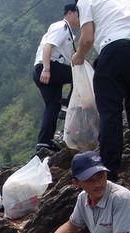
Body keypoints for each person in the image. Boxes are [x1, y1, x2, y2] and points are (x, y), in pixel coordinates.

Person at [72, 0, 130, 180]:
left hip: (115, 50)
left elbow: (87, 38)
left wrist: (78, 56)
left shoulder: (86, 1)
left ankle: (110, 168)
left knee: (110, 111)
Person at [33, 4, 80, 152]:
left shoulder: (69, 34)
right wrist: (47, 68)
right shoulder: (62, 26)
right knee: (78, 73)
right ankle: (67, 106)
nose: (80, 19)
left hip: (43, 70)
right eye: (79, 15)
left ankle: (44, 143)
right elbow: (48, 46)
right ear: (71, 13)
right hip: (48, 67)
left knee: (52, 107)